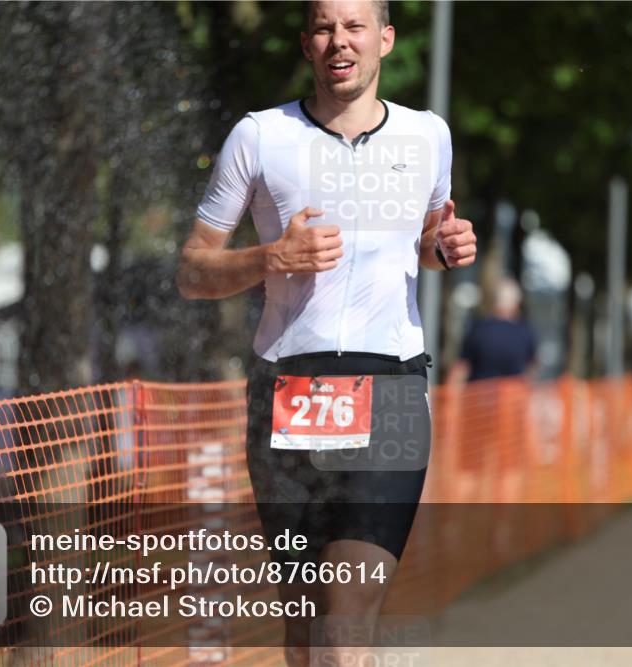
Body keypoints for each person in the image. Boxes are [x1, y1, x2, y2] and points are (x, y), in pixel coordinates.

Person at [175, 1, 477, 663]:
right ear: (307, 43)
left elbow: (422, 243)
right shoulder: (259, 137)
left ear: (385, 40)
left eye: (355, 26)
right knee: (306, 628)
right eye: (323, 27)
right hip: (289, 390)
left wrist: (446, 245)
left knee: (343, 623)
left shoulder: (428, 136)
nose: (340, 40)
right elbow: (192, 270)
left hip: (392, 388)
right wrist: (270, 257)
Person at [447, 277, 537, 384]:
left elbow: (461, 368)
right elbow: (532, 368)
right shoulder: (525, 332)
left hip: (479, 396)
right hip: (514, 398)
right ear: (516, 303)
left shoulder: (478, 329)